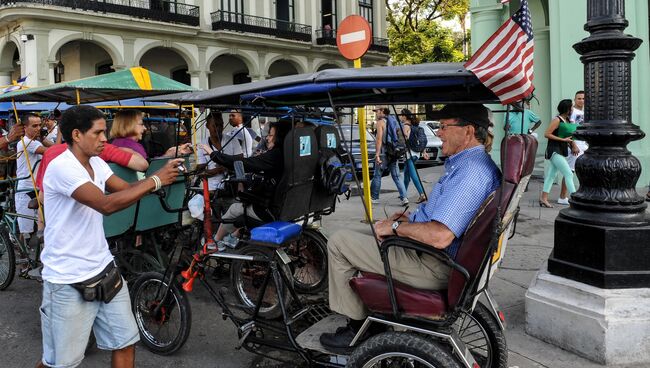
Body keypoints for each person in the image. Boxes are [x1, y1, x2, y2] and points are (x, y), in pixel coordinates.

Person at [319, 104, 501, 352]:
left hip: (433, 262)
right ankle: (372, 308)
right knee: (368, 231)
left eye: (444, 126)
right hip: (433, 254)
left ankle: (357, 328)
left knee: (339, 242)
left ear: (468, 131)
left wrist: (395, 227)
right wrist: (407, 223)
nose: (438, 133)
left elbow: (439, 236)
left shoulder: (471, 172)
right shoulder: (471, 165)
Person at [36, 105, 184, 368]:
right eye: (98, 132)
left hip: (104, 269)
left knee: (125, 341)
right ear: (77, 135)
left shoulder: (96, 162)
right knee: (60, 364)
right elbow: (105, 204)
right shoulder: (62, 167)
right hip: (68, 280)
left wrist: (163, 176)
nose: (105, 138)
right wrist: (156, 181)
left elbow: (126, 190)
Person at [199, 122, 291, 250]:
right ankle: (234, 236)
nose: (267, 138)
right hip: (284, 206)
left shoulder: (275, 155)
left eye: (270, 135)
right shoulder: (289, 154)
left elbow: (243, 162)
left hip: (268, 210)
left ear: (279, 137)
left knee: (234, 209)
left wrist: (213, 154)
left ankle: (215, 241)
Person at [539, 99, 580, 208]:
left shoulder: (568, 121)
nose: (572, 109)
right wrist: (563, 140)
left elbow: (570, 137)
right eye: (571, 107)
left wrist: (573, 145)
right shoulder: (557, 120)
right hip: (554, 149)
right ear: (566, 108)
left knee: (551, 175)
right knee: (569, 173)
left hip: (562, 150)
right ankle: (575, 201)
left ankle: (543, 198)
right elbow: (546, 134)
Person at [14, 114, 47, 245]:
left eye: (40, 125)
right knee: (26, 230)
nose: (38, 128)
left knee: (42, 226)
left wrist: (42, 137)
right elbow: (51, 151)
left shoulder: (36, 142)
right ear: (25, 127)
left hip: (37, 188)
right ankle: (23, 262)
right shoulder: (25, 142)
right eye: (34, 126)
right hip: (26, 188)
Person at [110, 109, 191, 161]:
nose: (145, 128)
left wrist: (169, 153)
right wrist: (168, 155)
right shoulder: (132, 146)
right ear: (129, 125)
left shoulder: (117, 142)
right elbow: (148, 170)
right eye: (141, 124)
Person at [370, 107, 408, 206]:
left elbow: (379, 139)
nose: (376, 114)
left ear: (382, 111)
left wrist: (377, 154)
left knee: (377, 175)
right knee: (396, 176)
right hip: (394, 152)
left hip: (384, 152)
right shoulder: (394, 120)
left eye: (377, 111)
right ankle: (404, 197)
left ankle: (374, 198)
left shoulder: (380, 123)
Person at [559, 90, 587, 204]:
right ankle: (562, 197)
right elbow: (567, 130)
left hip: (584, 143)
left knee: (584, 170)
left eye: (584, 98)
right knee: (570, 170)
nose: (581, 100)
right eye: (579, 98)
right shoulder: (572, 112)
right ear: (575, 99)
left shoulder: (584, 112)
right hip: (575, 144)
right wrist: (573, 144)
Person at [400, 108, 427, 204]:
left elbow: (405, 140)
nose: (400, 117)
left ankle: (422, 194)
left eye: (401, 115)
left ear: (404, 116)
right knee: (406, 175)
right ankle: (403, 194)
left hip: (409, 154)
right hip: (416, 153)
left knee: (413, 174)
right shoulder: (414, 125)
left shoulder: (406, 126)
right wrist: (423, 151)